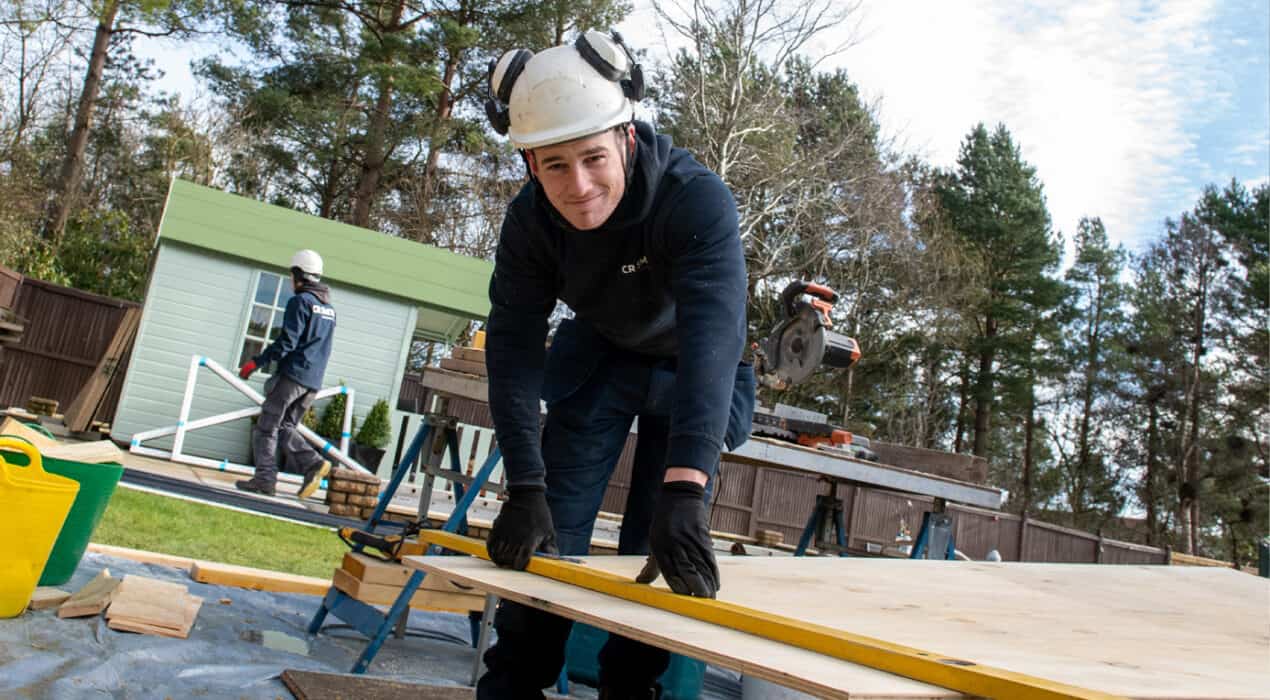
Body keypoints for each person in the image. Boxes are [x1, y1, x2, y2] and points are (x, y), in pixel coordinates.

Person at [478, 30, 755, 699]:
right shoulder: (530, 225)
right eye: (554, 166)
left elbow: (714, 342)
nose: (578, 187)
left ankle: (632, 689)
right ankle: (514, 684)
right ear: (529, 166)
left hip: (694, 362)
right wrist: (525, 486)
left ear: (627, 137)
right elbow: (513, 348)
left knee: (654, 552)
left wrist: (687, 489)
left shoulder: (695, 199)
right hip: (601, 353)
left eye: (593, 158)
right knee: (550, 544)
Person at [236, 249, 338, 500]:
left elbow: (287, 342)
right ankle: (313, 464)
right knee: (286, 427)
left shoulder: (300, 302)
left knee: (266, 427)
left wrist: (257, 362)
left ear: (298, 275)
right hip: (313, 381)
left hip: (293, 375)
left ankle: (265, 480)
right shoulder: (329, 309)